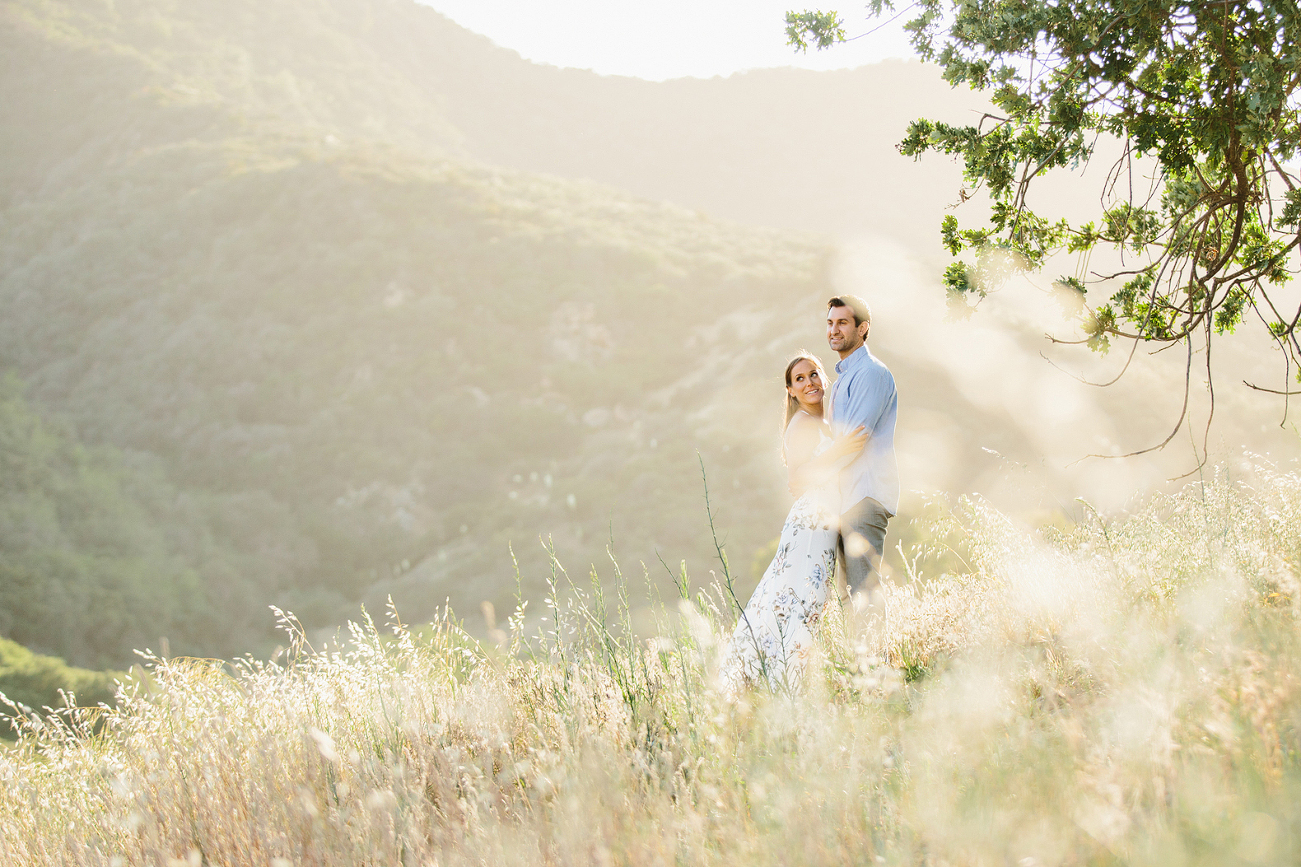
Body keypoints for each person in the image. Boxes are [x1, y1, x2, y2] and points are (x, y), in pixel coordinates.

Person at [722, 353, 867, 692]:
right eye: (799, 379)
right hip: (811, 524)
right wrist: (841, 449)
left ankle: (771, 678)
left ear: (824, 379)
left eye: (813, 374)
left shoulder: (827, 423)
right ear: (791, 391)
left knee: (801, 601)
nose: (809, 382)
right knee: (800, 601)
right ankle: (782, 682)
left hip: (827, 524)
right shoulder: (801, 423)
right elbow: (797, 481)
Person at [824, 295, 899, 614]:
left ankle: (875, 664)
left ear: (862, 327)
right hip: (846, 499)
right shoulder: (844, 379)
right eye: (830, 323)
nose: (834, 330)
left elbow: (856, 439)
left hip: (864, 496)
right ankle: (863, 663)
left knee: (864, 598)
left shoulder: (870, 373)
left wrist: (814, 472)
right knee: (852, 599)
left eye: (842, 322)